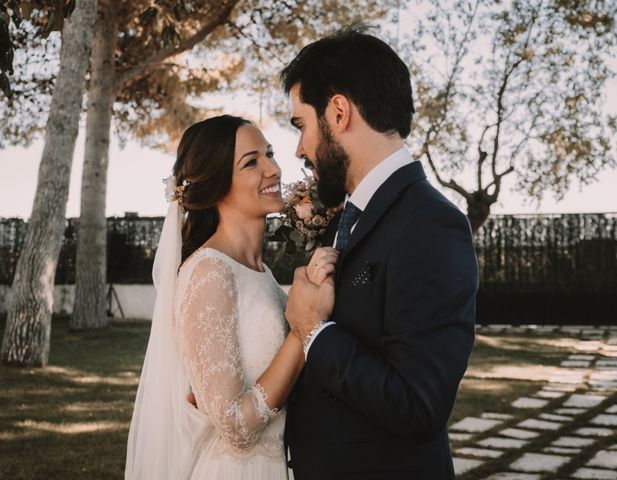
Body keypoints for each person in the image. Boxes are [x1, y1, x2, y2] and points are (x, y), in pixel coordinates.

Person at [281, 26, 479, 479]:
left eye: (301, 125)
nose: (299, 149)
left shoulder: (431, 224)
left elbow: (417, 406)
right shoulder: (344, 218)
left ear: (337, 112)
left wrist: (314, 331)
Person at [125, 115, 338, 480]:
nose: (273, 168)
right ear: (216, 185)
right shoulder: (209, 272)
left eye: (269, 154)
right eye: (251, 162)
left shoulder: (260, 271)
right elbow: (236, 427)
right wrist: (301, 329)